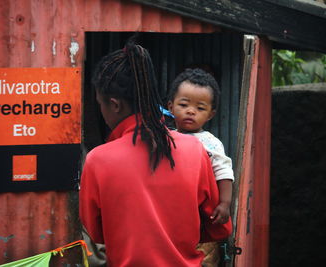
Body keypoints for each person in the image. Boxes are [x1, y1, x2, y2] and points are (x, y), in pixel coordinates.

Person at [79, 42, 232, 267]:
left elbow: (96, 232)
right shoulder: (195, 149)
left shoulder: (97, 160)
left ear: (114, 105)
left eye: (101, 104)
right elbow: (218, 226)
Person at [167, 68, 234, 266]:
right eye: (184, 104)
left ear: (211, 115)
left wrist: (224, 203)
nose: (190, 111)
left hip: (200, 218)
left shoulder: (210, 143)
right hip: (170, 214)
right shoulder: (163, 138)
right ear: (170, 106)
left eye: (200, 108)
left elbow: (224, 172)